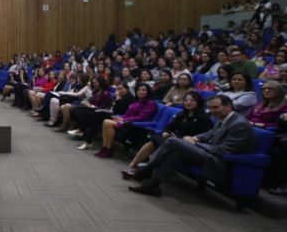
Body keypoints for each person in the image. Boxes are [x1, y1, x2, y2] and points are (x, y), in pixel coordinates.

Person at [128, 95, 256, 198]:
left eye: (216, 107)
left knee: (173, 141)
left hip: (216, 160)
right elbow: (209, 133)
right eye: (210, 108)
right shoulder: (224, 118)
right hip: (207, 152)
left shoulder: (239, 124)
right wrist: (195, 138)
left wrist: (196, 143)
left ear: (228, 106)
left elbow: (225, 150)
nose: (212, 111)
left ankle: (145, 170)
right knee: (174, 151)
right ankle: (152, 185)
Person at [122, 91, 212, 180]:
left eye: (192, 100)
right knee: (155, 139)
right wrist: (166, 132)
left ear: (198, 102)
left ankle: (143, 171)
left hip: (187, 146)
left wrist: (180, 138)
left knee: (163, 143)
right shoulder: (182, 114)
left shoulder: (203, 118)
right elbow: (170, 126)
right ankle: (132, 166)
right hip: (174, 139)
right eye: (186, 100)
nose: (188, 102)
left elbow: (201, 137)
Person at [96, 83, 157, 158]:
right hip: (127, 121)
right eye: (138, 90)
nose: (140, 91)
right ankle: (105, 147)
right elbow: (127, 114)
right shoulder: (136, 101)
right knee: (106, 121)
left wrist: (124, 119)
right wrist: (119, 117)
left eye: (143, 90)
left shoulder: (150, 103)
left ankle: (109, 149)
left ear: (148, 92)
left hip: (135, 125)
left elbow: (141, 117)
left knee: (108, 123)